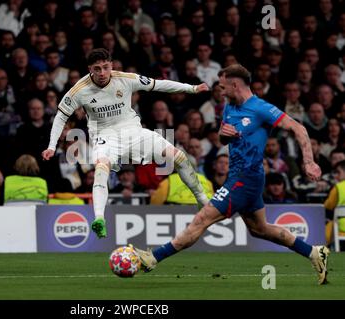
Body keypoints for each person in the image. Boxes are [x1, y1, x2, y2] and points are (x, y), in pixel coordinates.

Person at [132, 64, 330, 285]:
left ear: (235, 85)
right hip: (239, 176)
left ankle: (153, 258)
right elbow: (224, 137)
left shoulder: (260, 108)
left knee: (202, 219)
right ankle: (314, 252)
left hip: (246, 179)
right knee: (260, 229)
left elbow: (299, 129)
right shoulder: (229, 106)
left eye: (223, 87)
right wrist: (223, 134)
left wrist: (309, 161)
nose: (221, 91)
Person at [42, 48, 210, 238]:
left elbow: (159, 84)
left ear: (111, 65)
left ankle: (202, 200)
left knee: (177, 156)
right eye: (97, 69)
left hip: (133, 131)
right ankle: (99, 218)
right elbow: (60, 117)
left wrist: (192, 88)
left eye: (106, 67)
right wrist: (51, 146)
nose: (103, 73)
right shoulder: (79, 90)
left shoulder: (125, 78)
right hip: (105, 136)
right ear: (90, 69)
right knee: (100, 168)